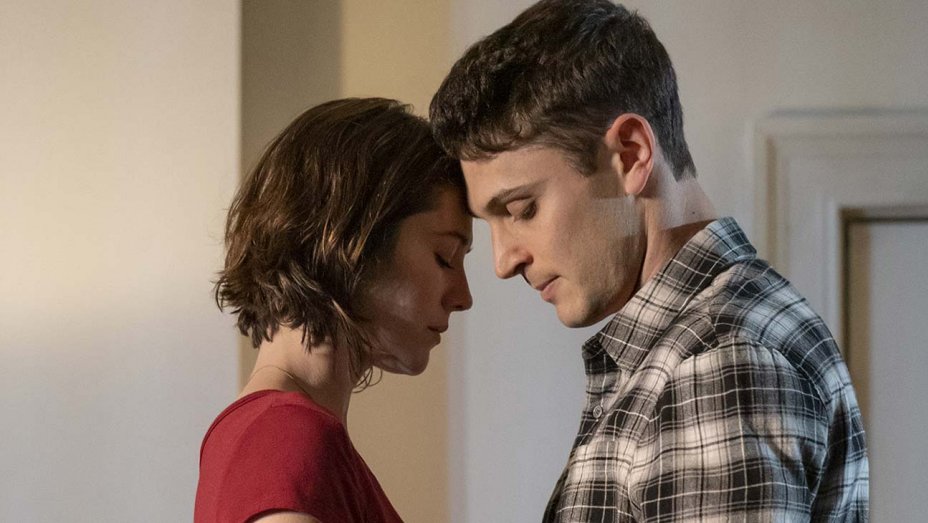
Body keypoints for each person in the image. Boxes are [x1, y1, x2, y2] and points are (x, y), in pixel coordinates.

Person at [429, 1, 868, 521]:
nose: (503, 262)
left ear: (633, 154)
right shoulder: (699, 347)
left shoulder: (716, 365)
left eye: (523, 208)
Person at [194, 98, 473, 523]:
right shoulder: (284, 436)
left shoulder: (270, 434)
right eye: (445, 256)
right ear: (351, 239)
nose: (463, 296)